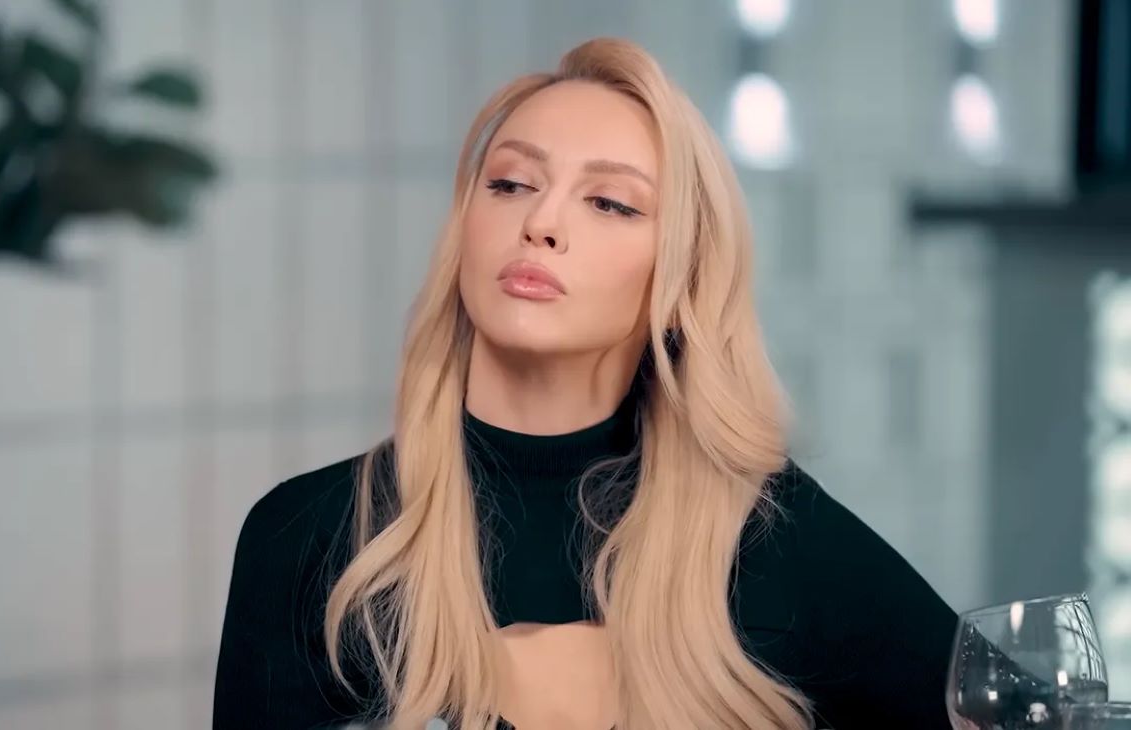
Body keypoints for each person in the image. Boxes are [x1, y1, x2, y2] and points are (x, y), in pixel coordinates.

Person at [213, 37, 958, 730]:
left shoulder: (767, 533)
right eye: (510, 183)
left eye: (609, 202)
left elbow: (992, 699)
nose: (541, 221)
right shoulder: (311, 537)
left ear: (680, 277)